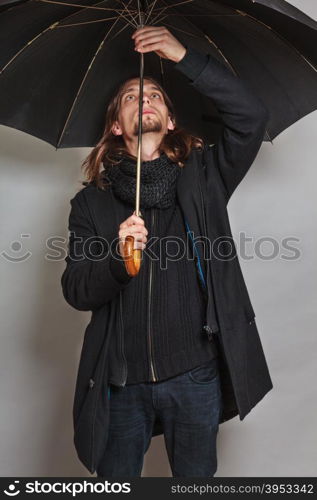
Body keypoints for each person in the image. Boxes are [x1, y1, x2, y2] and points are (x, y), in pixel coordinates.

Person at [61, 26, 273, 477]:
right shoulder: (91, 203)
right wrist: (118, 260)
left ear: (171, 120)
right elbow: (76, 291)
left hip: (194, 374)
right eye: (132, 97)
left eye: (155, 94)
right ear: (117, 125)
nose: (145, 100)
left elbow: (252, 117)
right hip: (120, 381)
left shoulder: (205, 177)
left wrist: (182, 56)